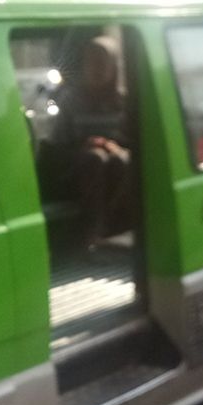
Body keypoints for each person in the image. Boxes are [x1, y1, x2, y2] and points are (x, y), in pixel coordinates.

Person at [53, 35, 132, 248]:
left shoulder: (124, 101)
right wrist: (85, 146)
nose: (96, 68)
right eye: (91, 62)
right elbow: (57, 146)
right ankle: (92, 232)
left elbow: (139, 142)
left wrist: (113, 146)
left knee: (120, 162)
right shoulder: (71, 100)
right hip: (76, 167)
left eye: (102, 63)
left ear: (113, 66)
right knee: (95, 159)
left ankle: (117, 229)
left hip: (117, 159)